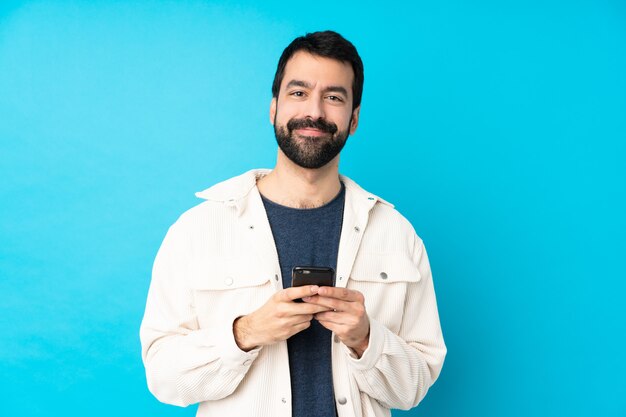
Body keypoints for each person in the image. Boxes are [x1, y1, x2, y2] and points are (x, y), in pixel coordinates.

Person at [140, 30, 446, 417]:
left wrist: (366, 338)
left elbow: (414, 389)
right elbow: (163, 376)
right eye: (298, 93)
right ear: (274, 108)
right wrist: (246, 333)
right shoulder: (198, 228)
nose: (314, 112)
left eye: (334, 97)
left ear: (353, 119)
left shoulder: (396, 233)